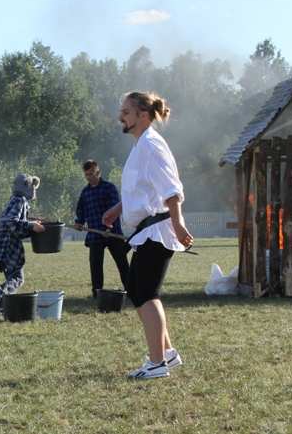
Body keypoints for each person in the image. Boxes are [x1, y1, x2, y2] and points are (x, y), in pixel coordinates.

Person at [102, 91, 193, 380]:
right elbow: (143, 189)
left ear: (143, 115)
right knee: (140, 288)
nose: (121, 116)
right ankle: (166, 354)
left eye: (126, 111)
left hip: (159, 229)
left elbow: (170, 188)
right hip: (149, 229)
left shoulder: (152, 145)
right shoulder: (142, 145)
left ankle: (156, 364)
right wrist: (118, 208)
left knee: (144, 292)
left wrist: (178, 224)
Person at [0, 174, 45, 313]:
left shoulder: (15, 199)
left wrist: (31, 220)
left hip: (6, 244)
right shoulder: (19, 200)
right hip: (8, 246)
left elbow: (13, 219)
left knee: (13, 276)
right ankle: (0, 300)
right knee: (17, 278)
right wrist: (31, 226)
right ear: (27, 187)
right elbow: (10, 221)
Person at [73, 160, 131, 298]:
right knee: (95, 265)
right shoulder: (85, 192)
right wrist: (79, 222)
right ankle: (97, 293)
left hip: (112, 232)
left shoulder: (109, 188)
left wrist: (108, 228)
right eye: (87, 175)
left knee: (122, 262)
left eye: (92, 174)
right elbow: (80, 209)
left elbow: (115, 209)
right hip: (95, 235)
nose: (89, 177)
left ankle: (131, 290)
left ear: (98, 172)